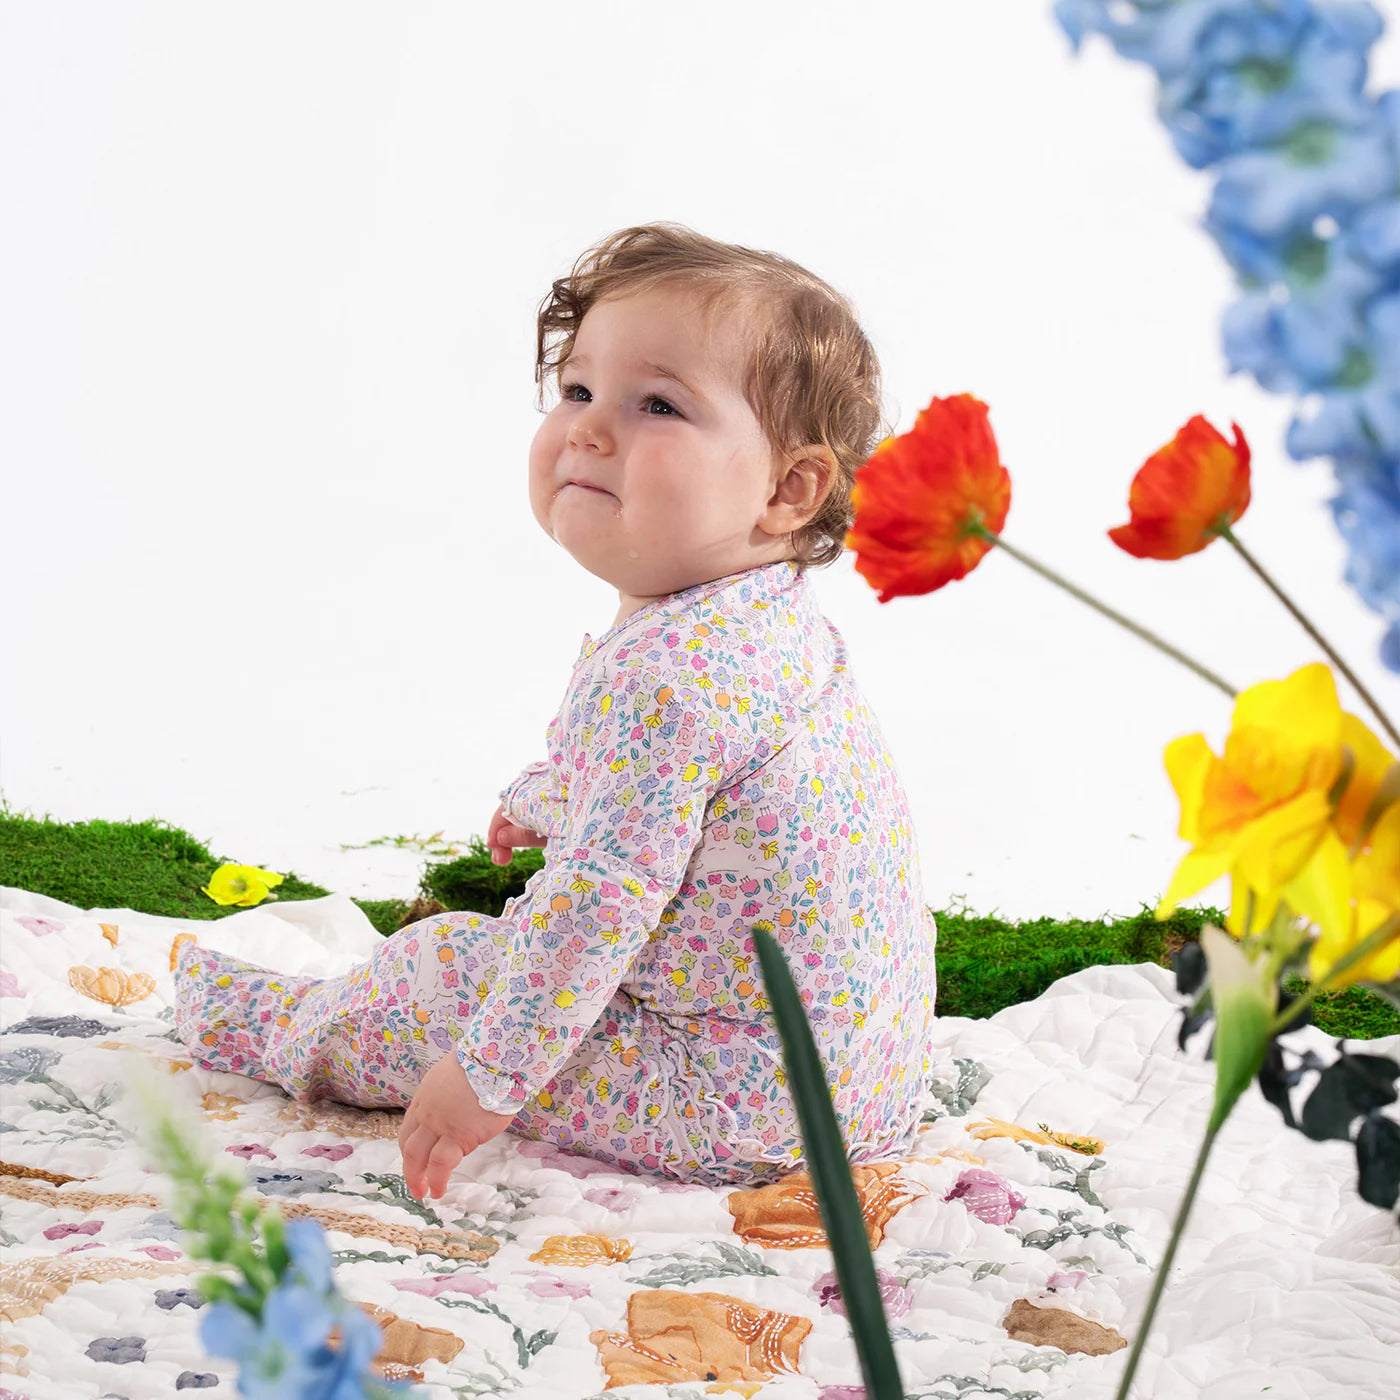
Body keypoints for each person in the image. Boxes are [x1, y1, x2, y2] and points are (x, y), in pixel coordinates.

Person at [174, 222, 939, 1198]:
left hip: (726, 1104)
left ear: (788, 488)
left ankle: (269, 1027)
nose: (588, 428)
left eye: (657, 404)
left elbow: (599, 901)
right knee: (498, 960)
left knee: (446, 969)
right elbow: (696, 799)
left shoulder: (663, 677)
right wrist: (555, 795)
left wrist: (487, 1074)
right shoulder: (767, 624)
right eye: (577, 390)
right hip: (857, 1088)